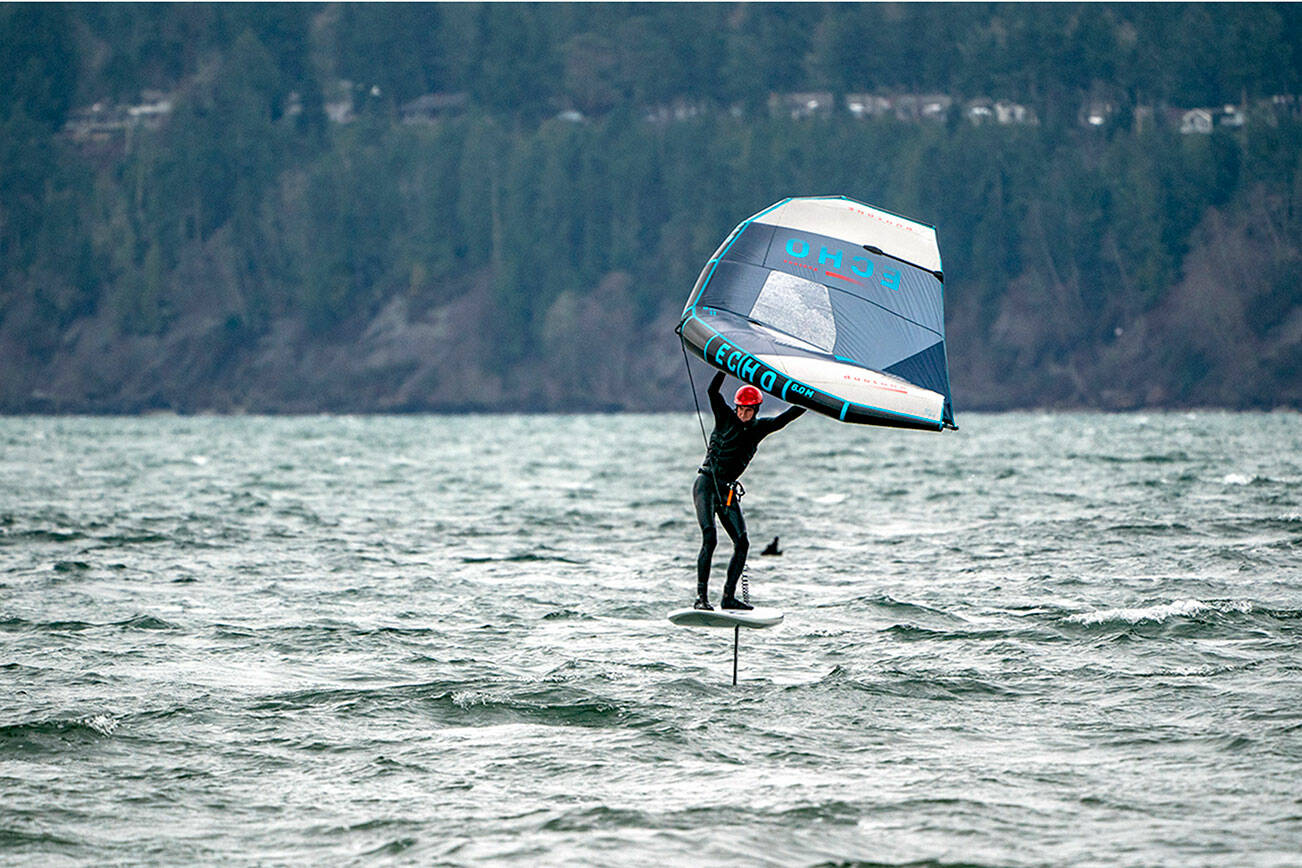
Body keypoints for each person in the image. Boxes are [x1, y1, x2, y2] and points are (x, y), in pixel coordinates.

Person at [693, 371, 804, 610]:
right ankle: (701, 599)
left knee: (742, 543)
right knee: (710, 538)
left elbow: (785, 418)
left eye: (748, 410)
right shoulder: (724, 417)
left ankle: (728, 598)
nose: (743, 414)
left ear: (756, 410)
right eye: (740, 409)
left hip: (727, 491)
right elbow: (712, 392)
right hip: (706, 485)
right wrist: (723, 368)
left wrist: (811, 399)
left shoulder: (759, 429)